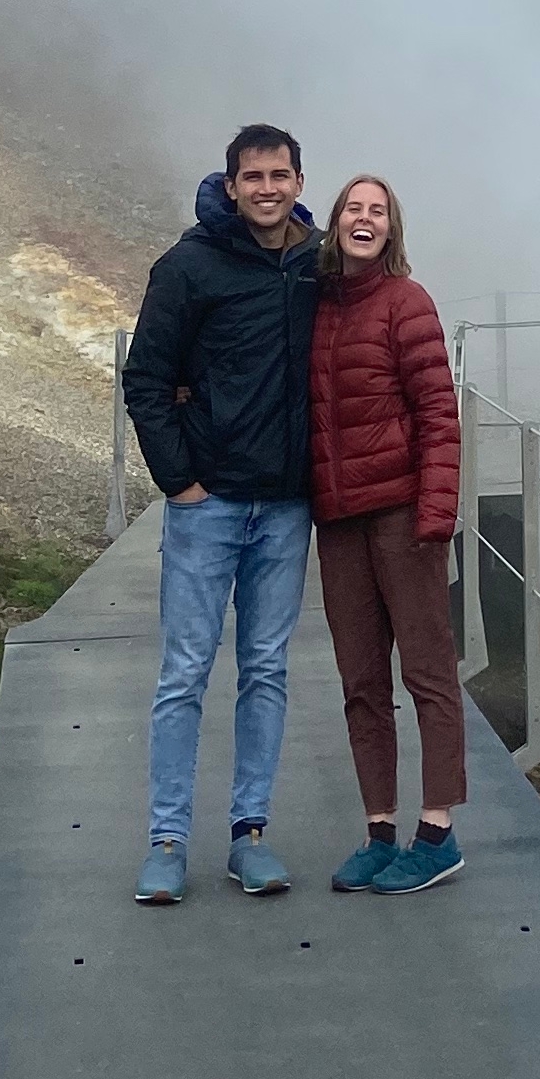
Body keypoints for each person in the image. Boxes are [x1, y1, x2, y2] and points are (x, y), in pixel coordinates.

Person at [120, 124, 321, 904]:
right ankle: (167, 841)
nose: (267, 188)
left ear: (300, 181)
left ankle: (250, 837)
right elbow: (147, 379)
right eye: (253, 176)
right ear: (230, 185)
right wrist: (180, 482)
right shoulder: (188, 267)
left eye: (281, 174)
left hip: (285, 506)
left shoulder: (316, 266)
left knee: (266, 670)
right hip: (209, 504)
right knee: (185, 672)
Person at [308, 174, 466, 895]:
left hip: (403, 513)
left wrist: (437, 516)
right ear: (335, 221)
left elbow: (439, 415)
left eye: (377, 211)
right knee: (361, 681)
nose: (363, 219)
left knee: (427, 673)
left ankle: (436, 832)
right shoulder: (318, 306)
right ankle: (379, 829)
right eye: (353, 209)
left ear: (391, 229)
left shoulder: (408, 303)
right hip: (339, 519)